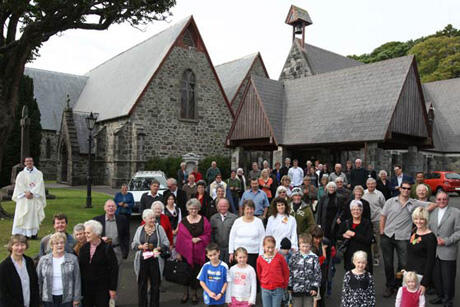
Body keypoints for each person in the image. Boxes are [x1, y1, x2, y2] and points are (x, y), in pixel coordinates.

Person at [379, 181, 436, 297]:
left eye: (408, 189)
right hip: (388, 235)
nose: (406, 190)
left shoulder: (414, 203)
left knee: (403, 264)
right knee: (388, 263)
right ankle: (389, 286)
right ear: (400, 189)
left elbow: (433, 204)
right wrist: (381, 231)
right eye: (404, 188)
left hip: (403, 237)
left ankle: (397, 283)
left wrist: (422, 213)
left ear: (411, 191)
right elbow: (383, 216)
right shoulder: (390, 201)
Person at [176, 198, 212, 304]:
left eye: (195, 209)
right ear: (187, 209)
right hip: (185, 253)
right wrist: (178, 252)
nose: (193, 211)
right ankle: (185, 293)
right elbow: (180, 238)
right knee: (185, 274)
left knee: (196, 274)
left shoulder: (204, 220)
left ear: (198, 209)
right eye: (191, 209)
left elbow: (208, 234)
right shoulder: (183, 221)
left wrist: (200, 238)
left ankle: (194, 294)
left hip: (199, 253)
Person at [132, 209, 170, 307]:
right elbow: (133, 245)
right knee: (142, 286)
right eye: (150, 218)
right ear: (144, 219)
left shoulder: (159, 228)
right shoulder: (140, 229)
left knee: (155, 286)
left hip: (155, 260)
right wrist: (141, 247)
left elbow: (166, 243)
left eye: (154, 218)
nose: (153, 220)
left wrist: (159, 248)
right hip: (142, 261)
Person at [428, 191, 460, 307]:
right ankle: (440, 296)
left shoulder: (456, 213)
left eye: (444, 199)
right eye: (439, 199)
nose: (441, 201)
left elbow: (458, 231)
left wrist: (446, 241)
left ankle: (448, 300)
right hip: (434, 251)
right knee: (437, 277)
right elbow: (429, 229)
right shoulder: (432, 212)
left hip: (448, 250)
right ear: (436, 200)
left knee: (448, 278)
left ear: (448, 200)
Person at [79, 220, 118, 307]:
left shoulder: (106, 248)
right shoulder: (83, 248)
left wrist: (112, 289)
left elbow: (114, 269)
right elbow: (80, 268)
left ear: (96, 233)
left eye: (88, 233)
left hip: (102, 289)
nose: (85, 235)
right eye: (85, 232)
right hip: (86, 289)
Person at [37, 232, 81, 307]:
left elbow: (77, 280)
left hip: (67, 298)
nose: (59, 245)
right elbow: (39, 280)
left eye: (62, 242)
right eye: (56, 243)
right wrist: (38, 298)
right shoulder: (43, 260)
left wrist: (76, 298)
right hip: (48, 298)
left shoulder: (72, 259)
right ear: (51, 245)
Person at [12, 157, 46, 239]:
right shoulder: (21, 174)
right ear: (25, 163)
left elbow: (39, 185)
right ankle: (22, 234)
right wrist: (25, 193)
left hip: (33, 198)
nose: (29, 162)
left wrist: (31, 193)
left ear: (33, 162)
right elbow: (19, 185)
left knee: (33, 216)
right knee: (23, 216)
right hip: (23, 199)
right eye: (27, 161)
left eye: (30, 161)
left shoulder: (38, 173)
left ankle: (33, 234)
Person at [0, 235, 39, 307]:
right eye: (16, 245)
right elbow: (3, 293)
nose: (20, 248)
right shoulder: (4, 266)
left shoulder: (29, 261)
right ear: (11, 246)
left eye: (22, 245)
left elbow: (34, 284)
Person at [404, 207, 436, 294]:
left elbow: (431, 261)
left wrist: (424, 283)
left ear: (426, 219)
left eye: (422, 219)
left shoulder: (430, 237)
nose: (418, 221)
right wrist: (406, 270)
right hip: (408, 274)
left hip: (419, 276)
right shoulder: (414, 231)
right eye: (416, 218)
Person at [338, 200, 374, 274]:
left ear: (361, 211)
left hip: (363, 257)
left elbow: (368, 240)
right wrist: (343, 235)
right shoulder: (346, 223)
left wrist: (354, 234)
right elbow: (338, 235)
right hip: (350, 257)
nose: (356, 212)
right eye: (353, 209)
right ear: (350, 211)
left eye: (358, 209)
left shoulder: (367, 223)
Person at [229, 200, 265, 269]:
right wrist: (231, 252)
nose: (249, 211)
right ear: (243, 210)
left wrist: (261, 254)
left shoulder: (259, 222)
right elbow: (232, 237)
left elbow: (262, 239)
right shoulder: (237, 221)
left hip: (254, 254)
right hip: (239, 254)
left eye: (251, 209)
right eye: (247, 209)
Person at [288, 233, 321, 307]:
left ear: (310, 245)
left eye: (307, 246)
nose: (305, 248)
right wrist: (289, 285)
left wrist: (314, 287)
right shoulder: (294, 257)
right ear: (299, 245)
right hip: (296, 289)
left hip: (309, 290)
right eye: (303, 246)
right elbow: (289, 272)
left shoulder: (314, 257)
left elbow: (317, 274)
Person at [93, 199, 130, 264]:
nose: (111, 208)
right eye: (108, 206)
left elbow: (126, 236)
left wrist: (125, 251)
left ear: (116, 208)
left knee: (117, 272)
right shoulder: (97, 220)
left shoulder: (122, 219)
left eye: (113, 206)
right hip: (102, 251)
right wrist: (100, 239)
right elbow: (92, 236)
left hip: (117, 251)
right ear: (104, 208)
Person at [257, 236, 290, 307]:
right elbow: (259, 272)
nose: (270, 249)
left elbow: (286, 271)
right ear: (263, 247)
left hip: (278, 288)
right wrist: (263, 282)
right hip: (265, 288)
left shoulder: (280, 257)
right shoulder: (260, 259)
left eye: (272, 247)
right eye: (268, 247)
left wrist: (284, 284)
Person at [363, 178, 386, 266]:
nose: (371, 185)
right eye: (369, 184)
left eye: (372, 184)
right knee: (366, 239)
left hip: (377, 220)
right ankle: (366, 257)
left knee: (377, 240)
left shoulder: (379, 194)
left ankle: (376, 257)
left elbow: (384, 206)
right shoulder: (363, 193)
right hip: (366, 220)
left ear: (375, 184)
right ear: (366, 184)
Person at [210, 198, 237, 264]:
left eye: (224, 206)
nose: (222, 208)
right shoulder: (213, 218)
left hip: (230, 249)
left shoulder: (234, 218)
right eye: (220, 206)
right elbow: (211, 234)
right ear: (217, 207)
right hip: (217, 249)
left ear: (228, 206)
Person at [311, 227, 328, 307]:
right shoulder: (310, 247)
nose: (317, 240)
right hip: (315, 273)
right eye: (316, 238)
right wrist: (323, 248)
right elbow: (323, 257)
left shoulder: (323, 243)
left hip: (322, 271)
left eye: (319, 238)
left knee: (321, 291)